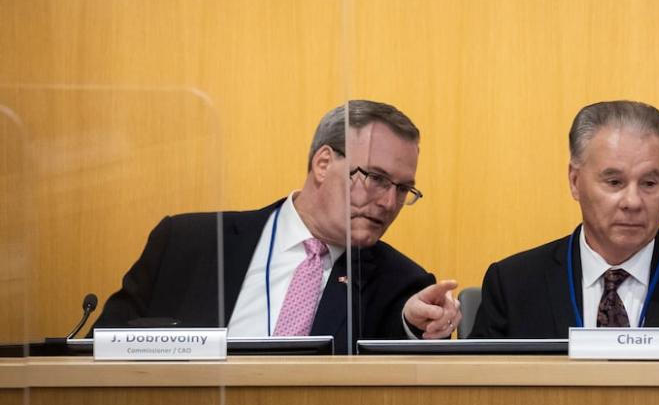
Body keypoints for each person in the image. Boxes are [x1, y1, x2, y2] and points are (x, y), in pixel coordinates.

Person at [93, 100, 461, 352]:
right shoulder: (189, 244)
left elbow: (404, 390)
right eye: (376, 178)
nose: (388, 202)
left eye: (403, 189)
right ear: (323, 164)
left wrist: (414, 328)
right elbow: (101, 350)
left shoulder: (402, 284)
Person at [470, 100, 659, 338]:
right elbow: (479, 397)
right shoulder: (514, 285)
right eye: (614, 182)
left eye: (649, 184)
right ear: (575, 181)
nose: (633, 202)